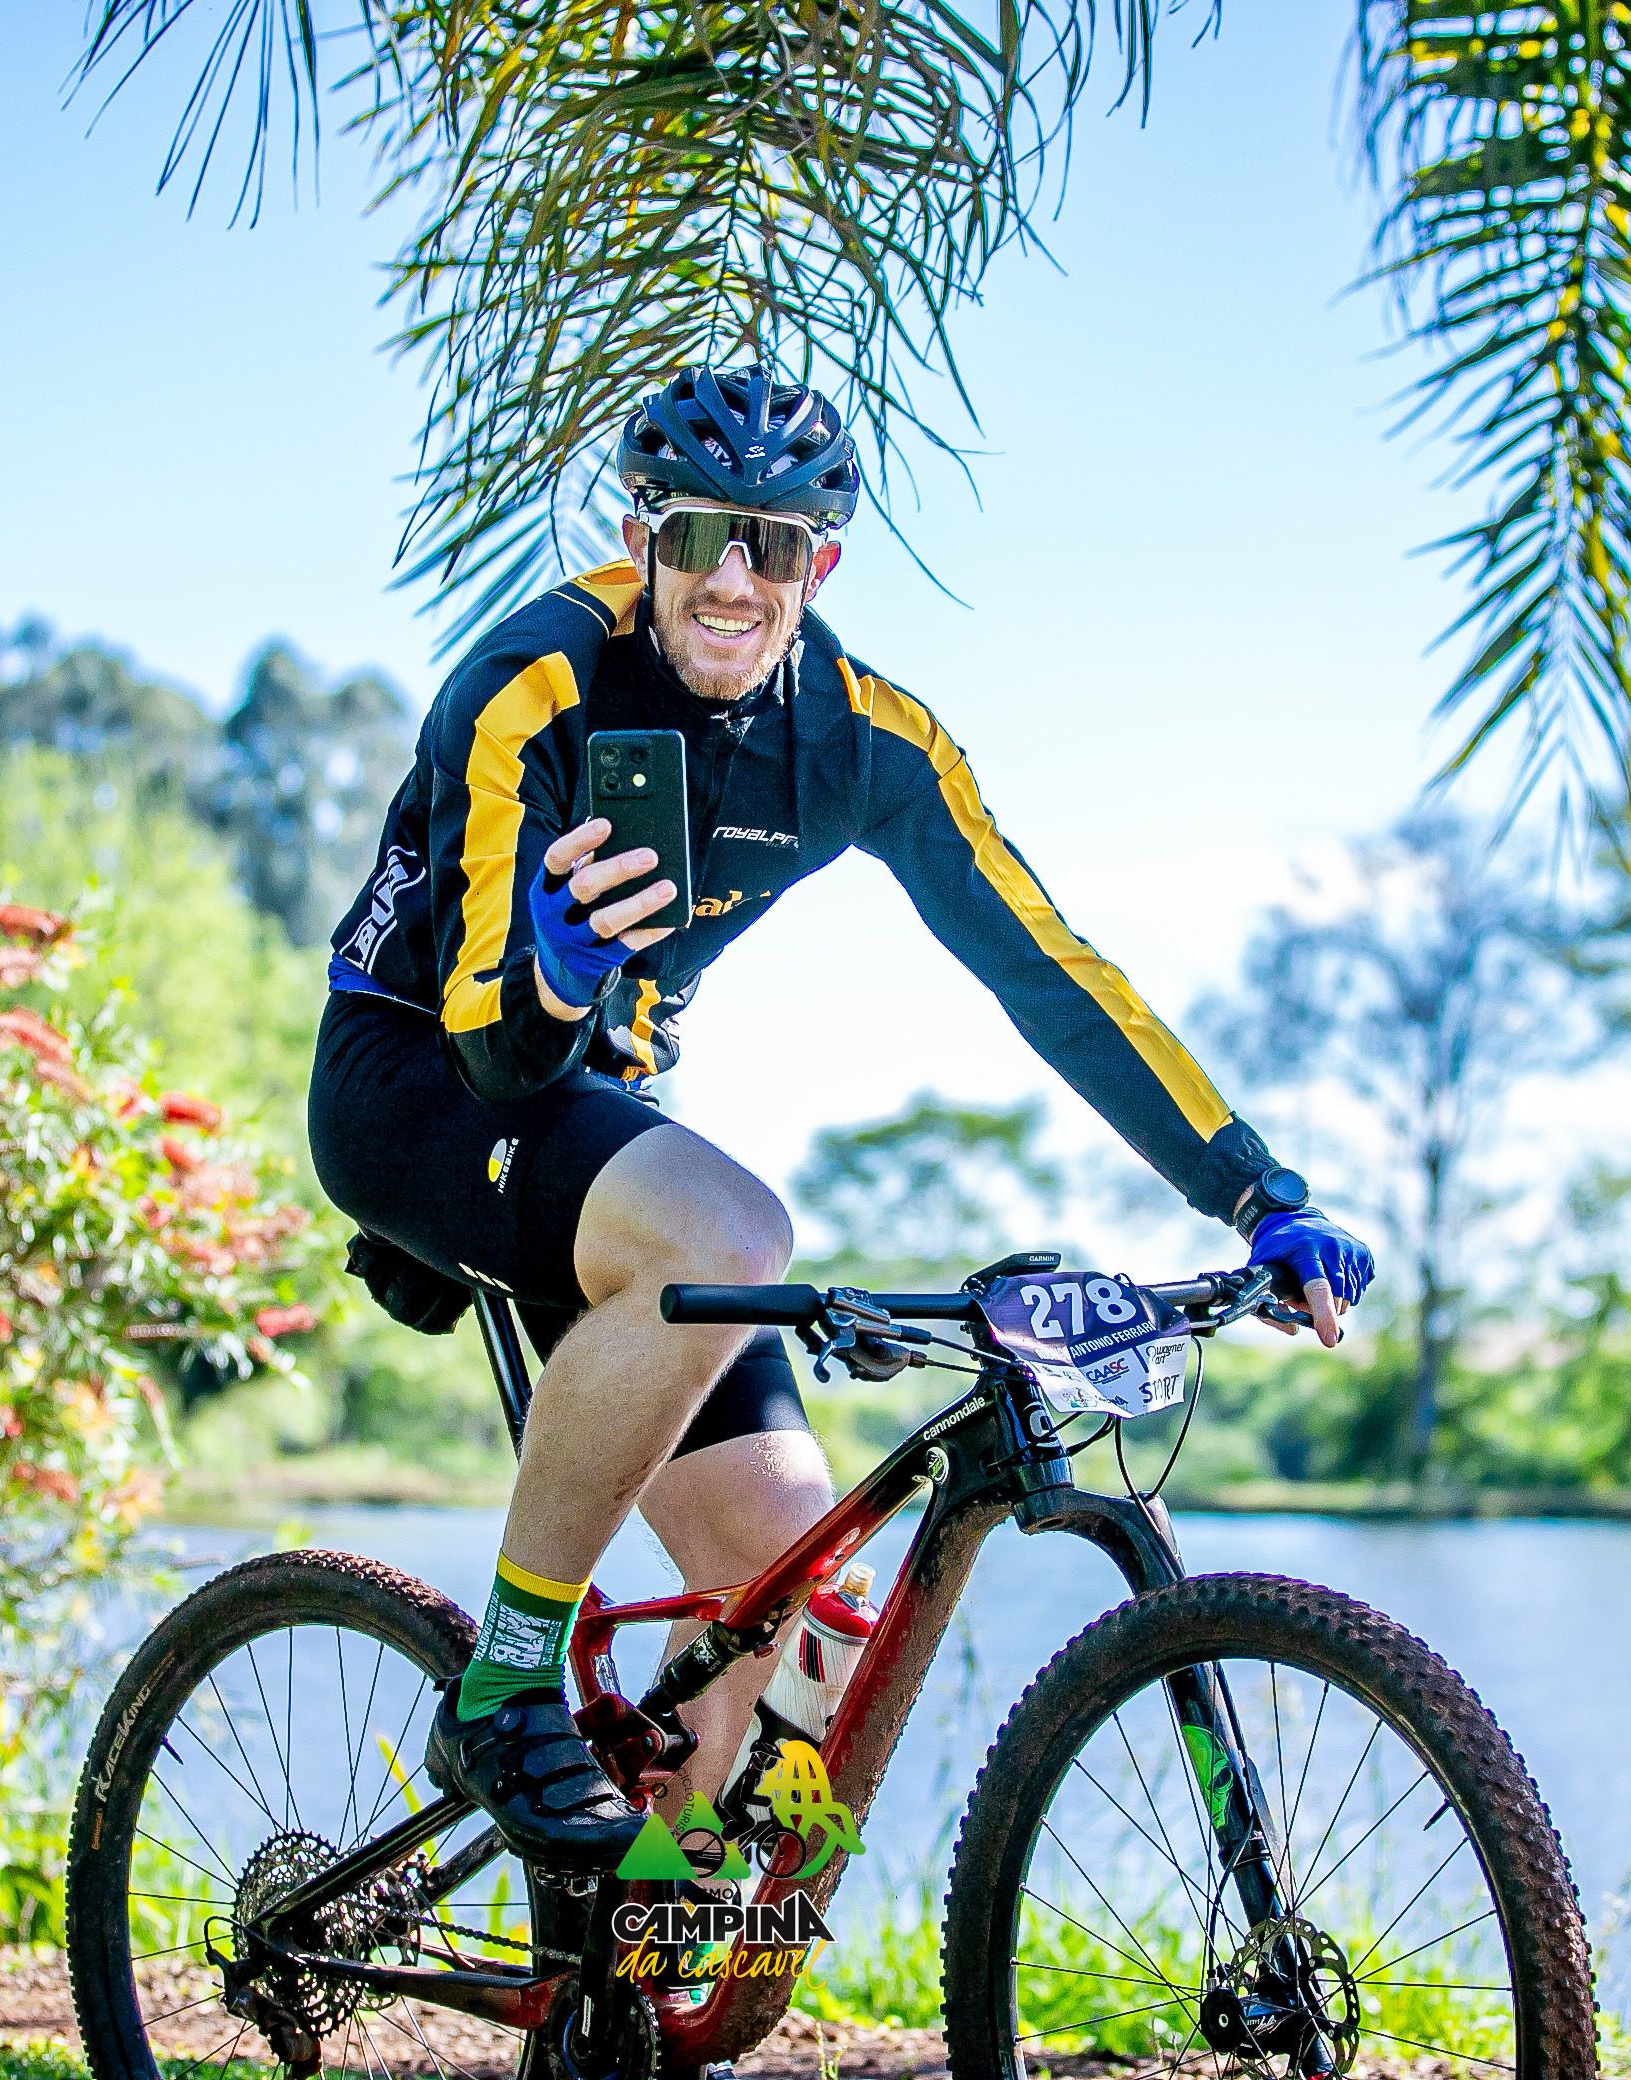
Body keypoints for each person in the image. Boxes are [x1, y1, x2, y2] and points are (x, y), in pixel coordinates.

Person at [310, 366, 1375, 1871]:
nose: (732, 580)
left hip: (597, 1106)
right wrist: (556, 973)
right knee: (735, 1229)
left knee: (789, 1601)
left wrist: (1259, 1192)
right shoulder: (530, 681)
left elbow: (1052, 971)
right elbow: (492, 1048)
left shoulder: (872, 742)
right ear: (640, 539)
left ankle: (648, 1945)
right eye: (697, 539)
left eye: (775, 545)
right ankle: (504, 1684)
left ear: (822, 565)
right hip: (423, 1070)